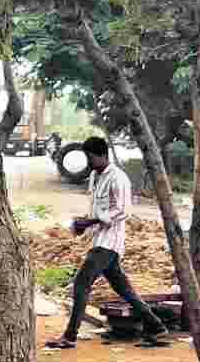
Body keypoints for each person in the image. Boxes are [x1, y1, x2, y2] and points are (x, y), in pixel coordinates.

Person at [48, 136, 167, 350]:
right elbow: (98, 210)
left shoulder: (118, 178)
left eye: (91, 157)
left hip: (110, 242)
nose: (89, 162)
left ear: (103, 155)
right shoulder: (95, 176)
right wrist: (83, 223)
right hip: (99, 239)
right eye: (87, 157)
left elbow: (123, 211)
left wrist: (91, 220)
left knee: (81, 283)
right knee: (124, 289)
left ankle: (70, 335)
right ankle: (155, 326)